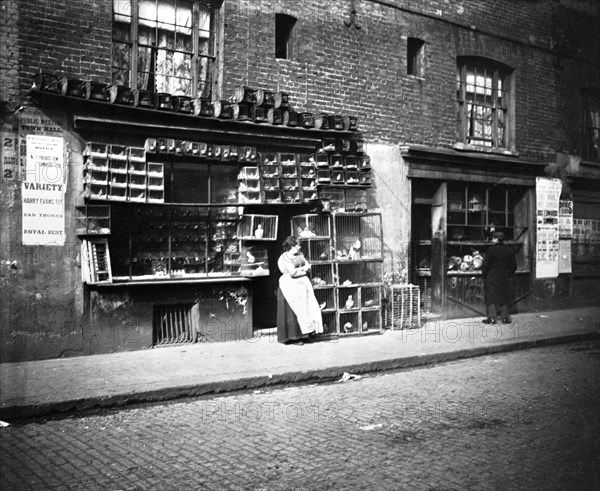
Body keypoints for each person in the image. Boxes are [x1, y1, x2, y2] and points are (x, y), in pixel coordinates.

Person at [277, 236, 324, 345]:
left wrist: (303, 269)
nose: (300, 246)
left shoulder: (299, 255)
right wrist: (303, 270)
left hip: (302, 285)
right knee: (293, 310)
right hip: (289, 285)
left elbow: (308, 266)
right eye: (298, 244)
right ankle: (293, 337)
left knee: (305, 308)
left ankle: (305, 335)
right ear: (292, 246)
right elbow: (292, 273)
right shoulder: (285, 257)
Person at [481, 231, 517, 325]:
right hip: (504, 278)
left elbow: (486, 265)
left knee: (491, 297)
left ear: (496, 239)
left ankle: (492, 318)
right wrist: (508, 274)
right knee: (504, 297)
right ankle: (505, 318)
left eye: (493, 238)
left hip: (491, 277)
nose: (492, 240)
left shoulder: (490, 250)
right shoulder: (509, 250)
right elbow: (513, 266)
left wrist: (484, 274)